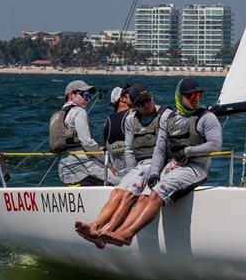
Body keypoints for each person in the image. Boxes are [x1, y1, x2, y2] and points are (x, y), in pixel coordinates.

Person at [101, 79, 222, 247]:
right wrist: (155, 173)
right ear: (180, 97)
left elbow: (215, 145)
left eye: (198, 95)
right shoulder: (171, 119)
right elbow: (160, 149)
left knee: (157, 193)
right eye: (190, 95)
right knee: (144, 194)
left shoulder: (207, 118)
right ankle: (117, 233)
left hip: (195, 168)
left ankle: (127, 234)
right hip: (172, 166)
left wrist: (187, 151)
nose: (195, 98)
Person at [75, 84, 170, 248]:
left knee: (129, 195)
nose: (146, 105)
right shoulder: (131, 118)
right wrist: (131, 173)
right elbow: (129, 149)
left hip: (158, 164)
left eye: (148, 100)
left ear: (151, 96)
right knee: (118, 191)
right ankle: (95, 227)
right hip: (139, 166)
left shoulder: (166, 115)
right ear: (134, 105)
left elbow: (167, 147)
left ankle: (108, 232)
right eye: (140, 103)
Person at [50, 80, 119, 186]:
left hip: (64, 172)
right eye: (85, 95)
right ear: (71, 95)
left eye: (89, 96)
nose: (88, 99)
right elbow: (87, 143)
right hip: (83, 168)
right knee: (121, 184)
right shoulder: (79, 111)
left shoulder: (56, 116)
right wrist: (108, 163)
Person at [103, 84, 132, 172]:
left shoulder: (107, 121)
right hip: (134, 170)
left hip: (118, 171)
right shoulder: (132, 115)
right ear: (122, 99)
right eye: (131, 93)